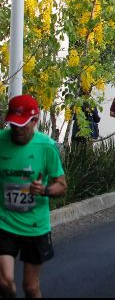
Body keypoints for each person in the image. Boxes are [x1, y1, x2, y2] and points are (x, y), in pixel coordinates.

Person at [0, 95, 67, 298]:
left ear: (35, 121)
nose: (17, 129)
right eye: (13, 124)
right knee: (4, 281)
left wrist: (44, 190)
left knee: (30, 287)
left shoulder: (46, 146)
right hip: (4, 222)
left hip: (35, 226)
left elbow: (62, 186)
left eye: (22, 125)